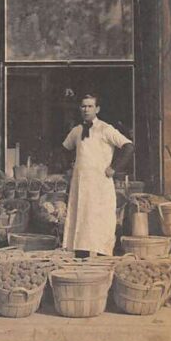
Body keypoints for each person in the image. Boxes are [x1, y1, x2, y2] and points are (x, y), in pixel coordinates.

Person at [62, 93, 133, 257]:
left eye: (90, 106)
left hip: (100, 184)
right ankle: (81, 258)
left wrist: (114, 168)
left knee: (100, 220)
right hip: (80, 184)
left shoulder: (105, 129)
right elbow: (65, 149)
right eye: (83, 106)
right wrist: (70, 165)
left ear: (97, 109)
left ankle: (103, 258)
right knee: (81, 217)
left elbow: (128, 147)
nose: (86, 109)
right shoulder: (77, 130)